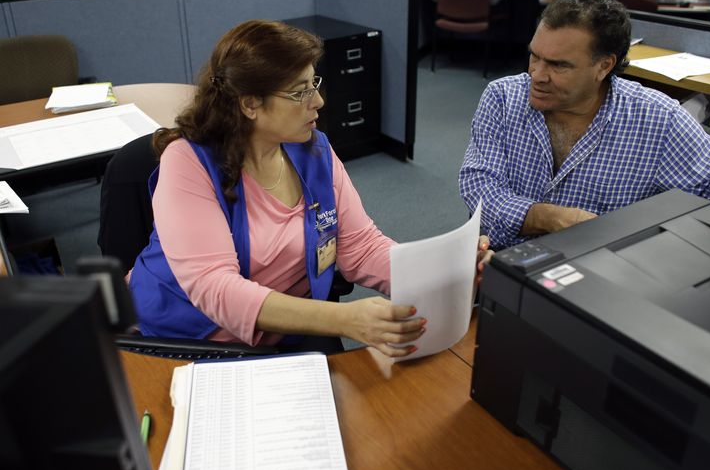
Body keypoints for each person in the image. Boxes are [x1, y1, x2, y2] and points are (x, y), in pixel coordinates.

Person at [128, 19, 492, 357]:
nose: (318, 101)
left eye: (313, 85)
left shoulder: (313, 149)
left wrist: (444, 272)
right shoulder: (188, 162)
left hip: (289, 328)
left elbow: (360, 248)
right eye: (300, 92)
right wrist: (345, 320)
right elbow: (215, 289)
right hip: (192, 340)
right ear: (251, 103)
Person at [458, 0, 710, 251]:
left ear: (604, 66)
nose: (536, 75)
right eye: (534, 56)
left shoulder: (656, 119)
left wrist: (663, 246)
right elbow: (478, 186)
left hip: (597, 275)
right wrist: (550, 217)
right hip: (500, 261)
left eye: (558, 65)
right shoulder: (503, 97)